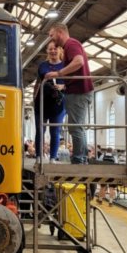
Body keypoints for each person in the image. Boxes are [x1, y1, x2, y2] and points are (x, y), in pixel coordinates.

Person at [45, 23, 93, 164]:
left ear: (60, 32)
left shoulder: (71, 44)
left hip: (79, 93)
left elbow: (79, 62)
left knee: (75, 127)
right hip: (75, 91)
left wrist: (59, 73)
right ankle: (81, 157)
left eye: (51, 35)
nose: (51, 38)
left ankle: (79, 158)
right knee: (77, 127)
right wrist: (65, 84)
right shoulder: (68, 47)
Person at [33, 40, 66, 163]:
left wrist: (63, 87)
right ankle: (38, 156)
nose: (53, 51)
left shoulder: (65, 65)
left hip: (58, 103)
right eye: (50, 49)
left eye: (55, 48)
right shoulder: (43, 65)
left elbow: (70, 83)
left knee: (55, 131)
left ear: (60, 50)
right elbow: (41, 78)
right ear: (47, 51)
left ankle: (52, 157)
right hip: (42, 102)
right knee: (40, 130)